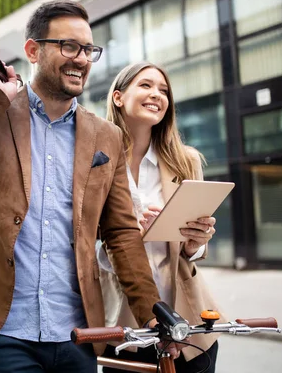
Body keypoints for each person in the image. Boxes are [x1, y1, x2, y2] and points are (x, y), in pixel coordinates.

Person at [0, 1, 162, 373]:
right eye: (69, 46)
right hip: (2, 332)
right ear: (33, 50)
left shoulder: (106, 136)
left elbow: (123, 233)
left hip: (77, 333)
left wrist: (152, 313)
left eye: (88, 50)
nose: (81, 59)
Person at [98, 62, 223, 373]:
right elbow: (82, 243)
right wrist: (127, 233)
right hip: (124, 323)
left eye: (164, 90)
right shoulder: (95, 162)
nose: (157, 94)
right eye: (146, 85)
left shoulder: (186, 161)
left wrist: (197, 241)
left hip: (187, 320)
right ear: (118, 97)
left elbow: (193, 252)